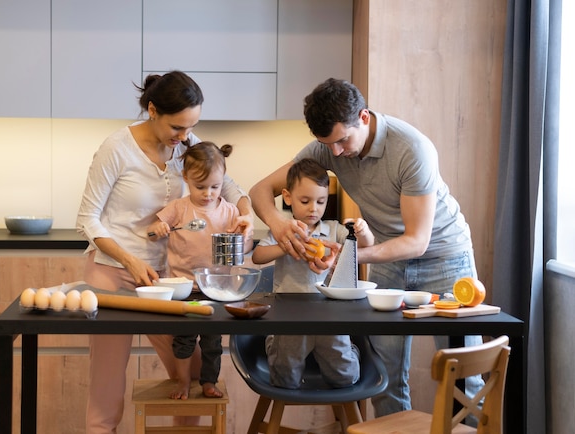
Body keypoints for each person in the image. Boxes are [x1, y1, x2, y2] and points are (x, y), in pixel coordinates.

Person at [249, 77, 483, 418]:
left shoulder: (411, 148)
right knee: (385, 374)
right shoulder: (328, 147)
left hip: (445, 258)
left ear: (364, 116)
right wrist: (279, 225)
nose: (336, 154)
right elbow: (259, 190)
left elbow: (417, 242)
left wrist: (346, 256)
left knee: (464, 374)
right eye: (327, 145)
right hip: (389, 258)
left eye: (342, 141)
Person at [76, 70, 254, 433]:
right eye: (177, 127)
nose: (185, 137)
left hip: (171, 282)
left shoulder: (186, 145)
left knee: (188, 371)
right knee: (107, 379)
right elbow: (87, 219)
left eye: (191, 127)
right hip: (114, 274)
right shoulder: (117, 148)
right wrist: (129, 259)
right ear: (152, 110)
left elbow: (231, 187)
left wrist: (247, 214)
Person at [252, 158, 373, 389]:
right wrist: (288, 244)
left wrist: (362, 230)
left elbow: (364, 247)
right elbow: (258, 256)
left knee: (345, 377)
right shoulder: (284, 231)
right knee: (284, 380)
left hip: (330, 316)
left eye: (321, 201)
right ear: (287, 197)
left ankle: (350, 349)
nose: (313, 208)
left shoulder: (334, 230)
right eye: (305, 201)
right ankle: (273, 343)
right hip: (290, 317)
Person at [147, 141, 253, 400]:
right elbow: (151, 231)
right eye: (200, 187)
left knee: (212, 342)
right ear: (186, 178)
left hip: (216, 289)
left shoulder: (229, 211)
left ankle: (208, 382)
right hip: (183, 288)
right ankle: (183, 382)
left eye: (215, 187)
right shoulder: (180, 208)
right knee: (182, 341)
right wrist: (157, 229)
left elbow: (245, 246)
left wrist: (243, 235)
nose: (208, 194)